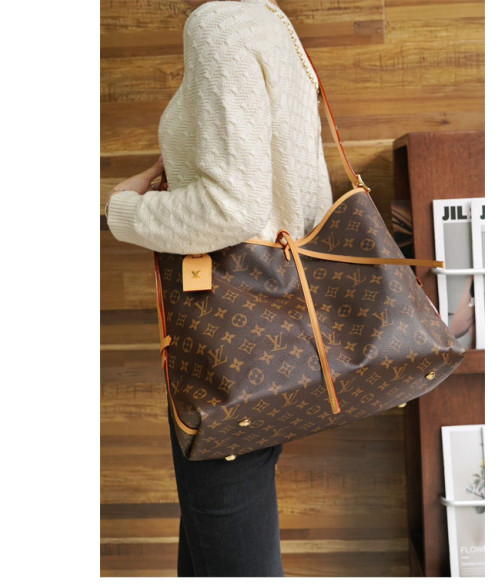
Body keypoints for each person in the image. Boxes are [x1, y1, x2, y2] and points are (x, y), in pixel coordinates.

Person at [105, 0, 333, 577]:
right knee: (213, 546)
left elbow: (230, 208)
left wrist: (123, 210)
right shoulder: (270, 20)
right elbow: (299, 197)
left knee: (230, 555)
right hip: (279, 332)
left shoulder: (216, 24)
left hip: (229, 343)